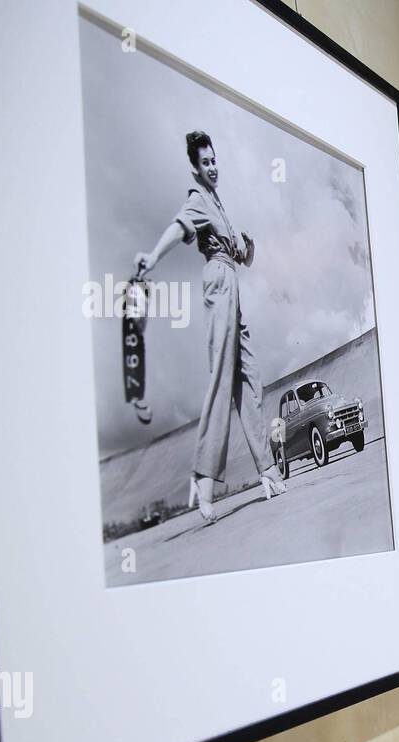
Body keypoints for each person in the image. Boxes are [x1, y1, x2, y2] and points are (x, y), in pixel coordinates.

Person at [134, 130, 286, 521]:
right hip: (218, 284)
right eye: (206, 163)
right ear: (195, 169)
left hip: (232, 283)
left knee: (250, 377)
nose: (213, 167)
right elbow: (179, 227)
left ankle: (267, 469)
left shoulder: (219, 205)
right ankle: (203, 476)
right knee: (222, 376)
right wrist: (151, 257)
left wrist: (248, 249)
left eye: (215, 160)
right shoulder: (198, 199)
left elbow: (242, 257)